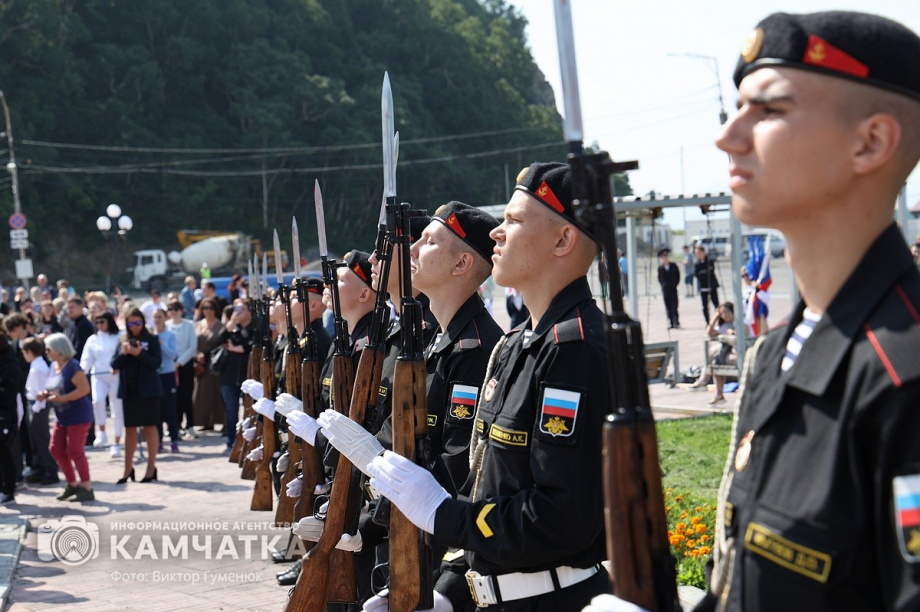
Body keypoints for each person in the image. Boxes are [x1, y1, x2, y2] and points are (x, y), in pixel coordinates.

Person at [582, 11, 920, 612]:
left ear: (870, 141)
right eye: (737, 109)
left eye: (769, 111)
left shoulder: (904, 377)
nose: (727, 136)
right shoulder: (778, 353)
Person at [323, 162, 612, 609]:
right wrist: (449, 592)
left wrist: (442, 515)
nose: (498, 232)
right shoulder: (517, 347)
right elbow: (484, 487)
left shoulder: (575, 349)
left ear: (563, 239)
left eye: (514, 220)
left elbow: (558, 517)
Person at [111, 308, 163, 484]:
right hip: (129, 390)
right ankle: (127, 469)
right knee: (130, 429)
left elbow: (156, 363)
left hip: (149, 390)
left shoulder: (152, 339)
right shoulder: (122, 341)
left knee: (149, 426)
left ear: (143, 322)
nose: (134, 327)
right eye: (131, 323)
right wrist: (125, 353)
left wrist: (140, 353)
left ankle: (151, 467)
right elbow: (114, 364)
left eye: (137, 323)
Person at [41, 333, 94, 502]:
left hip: (78, 415)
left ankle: (86, 487)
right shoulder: (54, 366)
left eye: (49, 349)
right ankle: (72, 484)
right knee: (56, 449)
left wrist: (62, 398)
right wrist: (45, 394)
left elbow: (84, 389)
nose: (47, 352)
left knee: (75, 451)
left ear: (58, 349)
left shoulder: (73, 366)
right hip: (62, 416)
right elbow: (54, 387)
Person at [79, 312, 124, 456]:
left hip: (116, 377)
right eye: (96, 322)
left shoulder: (119, 336)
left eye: (102, 322)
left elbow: (123, 355)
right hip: (98, 377)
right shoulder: (92, 339)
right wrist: (81, 373)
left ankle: (116, 442)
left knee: (117, 409)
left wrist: (119, 367)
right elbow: (86, 359)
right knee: (97, 401)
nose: (99, 325)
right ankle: (102, 431)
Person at [217, 298, 253, 453]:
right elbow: (219, 340)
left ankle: (248, 442)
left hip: (248, 376)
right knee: (231, 411)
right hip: (229, 376)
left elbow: (253, 346)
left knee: (249, 411)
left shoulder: (255, 328)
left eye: (242, 309)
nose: (238, 313)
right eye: (236, 309)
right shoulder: (233, 328)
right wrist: (230, 323)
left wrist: (238, 348)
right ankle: (231, 442)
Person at [22, 337, 58, 485]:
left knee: (42, 440)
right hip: (34, 406)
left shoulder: (38, 368)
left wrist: (36, 409)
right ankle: (40, 469)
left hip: (37, 407)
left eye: (24, 352)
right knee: (36, 441)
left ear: (30, 352)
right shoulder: (37, 365)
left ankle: (51, 471)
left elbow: (41, 393)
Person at [689, 302, 736, 406]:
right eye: (722, 313)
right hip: (728, 356)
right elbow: (708, 333)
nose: (725, 315)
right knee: (715, 359)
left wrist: (733, 333)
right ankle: (718, 395)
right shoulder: (725, 326)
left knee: (715, 352)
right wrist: (715, 317)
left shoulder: (739, 323)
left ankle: (704, 380)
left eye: (727, 312)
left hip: (737, 356)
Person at [192, 296, 224, 430]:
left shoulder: (221, 326)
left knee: (217, 394)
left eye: (210, 308)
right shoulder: (197, 325)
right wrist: (196, 355)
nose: (208, 310)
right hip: (201, 364)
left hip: (215, 363)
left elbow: (222, 344)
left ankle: (221, 421)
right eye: (205, 308)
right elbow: (192, 343)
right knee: (202, 394)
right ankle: (205, 422)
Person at [165, 300, 197, 438]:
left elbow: (192, 346)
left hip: (185, 365)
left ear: (181, 310)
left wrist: (180, 362)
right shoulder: (166, 326)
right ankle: (175, 426)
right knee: (173, 397)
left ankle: (190, 425)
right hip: (169, 366)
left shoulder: (189, 325)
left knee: (187, 395)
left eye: (176, 309)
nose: (173, 312)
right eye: (171, 309)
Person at [151, 309, 179, 453]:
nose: (157, 320)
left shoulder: (170, 335)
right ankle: (158, 441)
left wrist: (162, 344)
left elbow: (174, 355)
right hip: (155, 376)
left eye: (159, 317)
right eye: (155, 317)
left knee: (170, 410)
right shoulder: (150, 336)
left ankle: (174, 439)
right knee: (157, 410)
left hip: (168, 375)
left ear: (164, 318)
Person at [0, 332, 23, 504]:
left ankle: (8, 490)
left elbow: (8, 393)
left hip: (5, 416)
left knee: (4, 452)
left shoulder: (9, 365)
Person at [693, 245, 720, 324]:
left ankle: (720, 321)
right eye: (696, 253)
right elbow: (696, 274)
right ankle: (708, 323)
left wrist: (703, 273)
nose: (697, 254)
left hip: (712, 286)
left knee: (716, 304)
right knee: (705, 306)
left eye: (698, 252)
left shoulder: (709, 261)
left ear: (703, 252)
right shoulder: (697, 264)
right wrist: (704, 272)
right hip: (703, 287)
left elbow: (710, 271)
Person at [64, 295, 94, 360]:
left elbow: (80, 349)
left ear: (81, 307)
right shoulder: (72, 323)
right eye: (68, 308)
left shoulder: (84, 325)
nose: (69, 310)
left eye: (72, 307)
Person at [657, 247, 681, 329]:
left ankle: (676, 321)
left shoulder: (673, 266)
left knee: (674, 305)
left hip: (673, 289)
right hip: (665, 289)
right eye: (663, 257)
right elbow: (660, 279)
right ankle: (670, 322)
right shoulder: (661, 268)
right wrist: (663, 285)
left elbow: (678, 276)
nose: (665, 258)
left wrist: (674, 284)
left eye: (666, 256)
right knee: (668, 306)